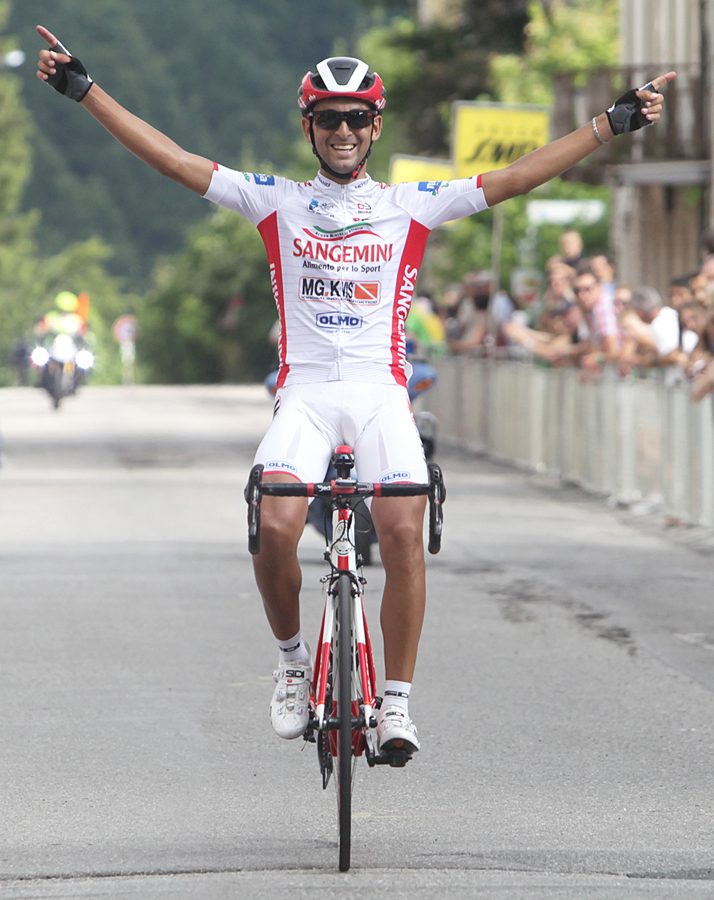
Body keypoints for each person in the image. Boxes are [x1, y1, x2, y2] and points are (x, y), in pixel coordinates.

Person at [36, 25, 674, 755]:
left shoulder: (414, 204)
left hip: (379, 395)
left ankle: (396, 702)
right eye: (329, 119)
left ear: (375, 127)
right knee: (274, 523)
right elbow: (175, 161)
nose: (344, 131)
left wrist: (607, 124)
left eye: (357, 118)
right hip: (305, 395)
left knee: (403, 526)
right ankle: (289, 665)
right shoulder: (274, 200)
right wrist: (84, 91)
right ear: (309, 127)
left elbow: (516, 177)